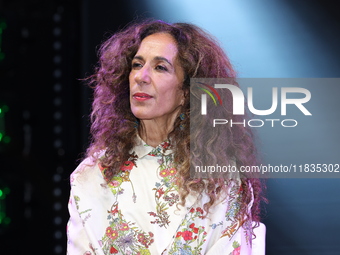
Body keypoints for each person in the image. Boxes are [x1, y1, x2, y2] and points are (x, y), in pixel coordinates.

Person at [67, 19, 266, 255]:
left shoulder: (221, 180)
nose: (141, 76)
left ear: (185, 92)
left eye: (160, 67)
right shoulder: (92, 176)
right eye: (137, 65)